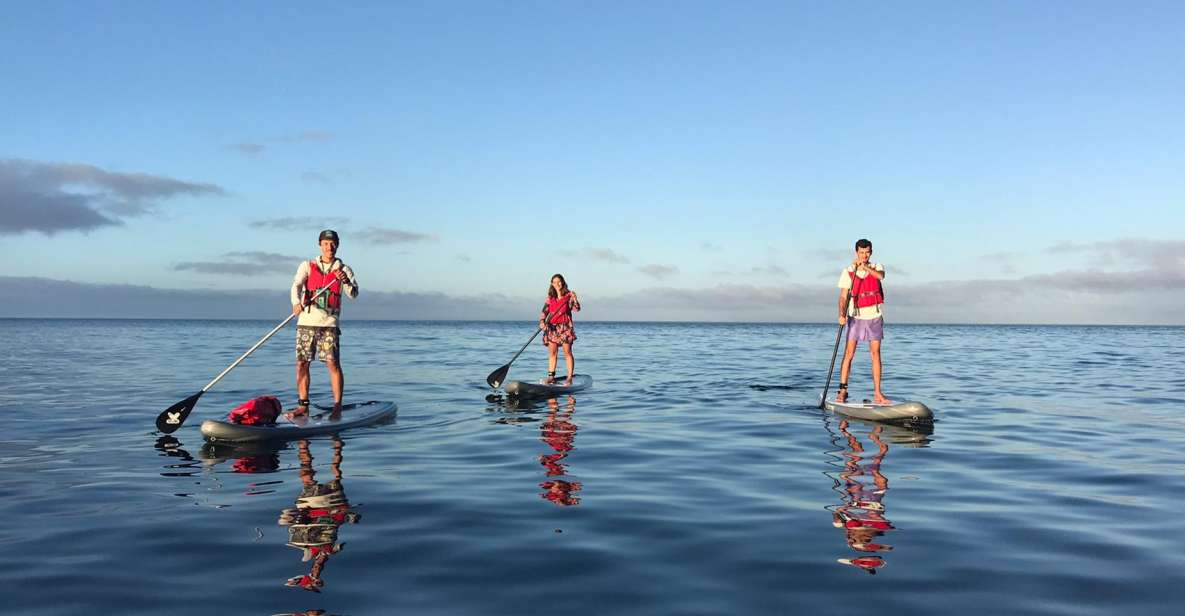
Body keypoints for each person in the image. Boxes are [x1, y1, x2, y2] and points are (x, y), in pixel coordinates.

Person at [290, 229, 358, 417]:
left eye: (333, 243)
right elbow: (296, 285)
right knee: (302, 364)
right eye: (326, 243)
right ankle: (303, 406)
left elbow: (353, 294)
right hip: (306, 322)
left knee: (332, 363)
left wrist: (345, 282)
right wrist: (296, 303)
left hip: (329, 323)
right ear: (320, 245)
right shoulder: (307, 265)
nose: (330, 247)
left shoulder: (344, 269)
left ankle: (337, 406)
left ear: (338, 245)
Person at [836, 238, 889, 404]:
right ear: (856, 252)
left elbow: (880, 277)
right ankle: (843, 390)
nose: (864, 255)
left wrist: (864, 267)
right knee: (849, 354)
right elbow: (843, 297)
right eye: (861, 253)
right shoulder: (848, 271)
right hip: (855, 317)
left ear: (871, 252)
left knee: (875, 354)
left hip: (874, 316)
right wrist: (842, 314)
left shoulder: (877, 267)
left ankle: (878, 393)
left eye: (867, 253)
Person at [539, 274, 581, 384]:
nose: (558, 283)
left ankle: (569, 377)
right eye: (555, 282)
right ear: (552, 284)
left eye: (560, 281)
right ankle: (551, 376)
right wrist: (542, 322)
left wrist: (575, 299)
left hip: (565, 327)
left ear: (562, 282)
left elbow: (576, 309)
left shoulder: (569, 296)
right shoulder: (550, 298)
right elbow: (544, 311)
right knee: (552, 352)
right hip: (552, 328)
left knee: (567, 352)